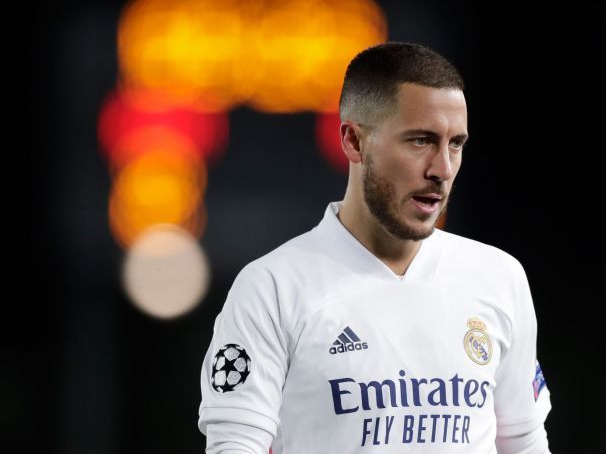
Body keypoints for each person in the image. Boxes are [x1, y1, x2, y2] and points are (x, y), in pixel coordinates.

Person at [198, 41, 553, 453]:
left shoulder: (498, 277)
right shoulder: (272, 288)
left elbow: (525, 442)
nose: (443, 169)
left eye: (455, 143)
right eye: (420, 141)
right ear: (353, 141)